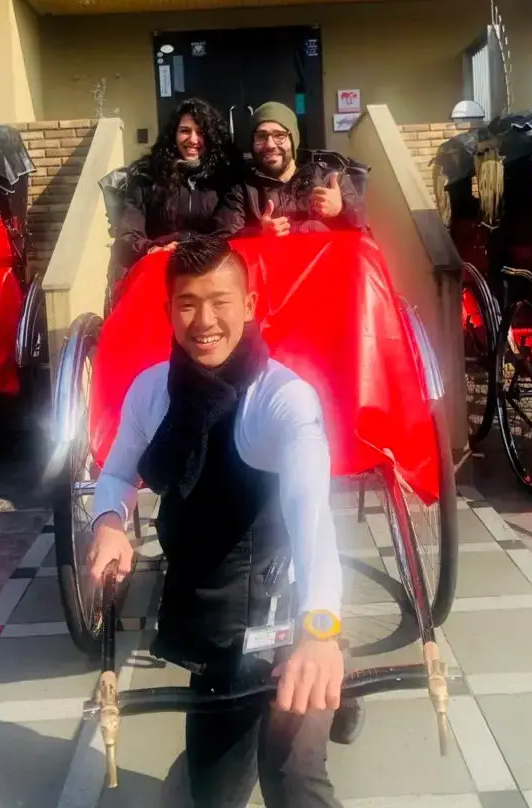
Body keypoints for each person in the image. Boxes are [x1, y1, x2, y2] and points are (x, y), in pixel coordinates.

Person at [88, 235, 346, 808]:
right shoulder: (151, 391)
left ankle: (333, 682)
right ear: (168, 311)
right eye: (188, 304)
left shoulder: (282, 398)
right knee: (213, 795)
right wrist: (108, 522)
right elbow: (117, 474)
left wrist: (320, 632)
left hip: (291, 613)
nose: (204, 321)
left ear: (249, 305)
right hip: (217, 621)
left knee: (294, 781)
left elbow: (312, 516)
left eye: (221, 302)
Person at [102, 98, 241, 275]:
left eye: (201, 132)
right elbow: (127, 237)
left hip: (208, 271)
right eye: (185, 131)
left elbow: (228, 232)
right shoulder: (146, 176)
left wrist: (193, 252)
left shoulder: (226, 178)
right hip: (159, 269)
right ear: (173, 135)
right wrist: (151, 248)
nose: (193, 139)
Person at [214, 102, 366, 238]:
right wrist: (258, 234)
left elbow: (363, 233)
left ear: (293, 140)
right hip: (267, 262)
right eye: (261, 136)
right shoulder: (242, 188)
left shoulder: (331, 180)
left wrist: (341, 210)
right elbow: (223, 239)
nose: (270, 145)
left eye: (279, 135)